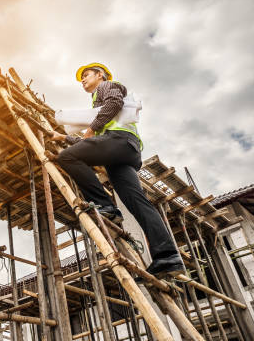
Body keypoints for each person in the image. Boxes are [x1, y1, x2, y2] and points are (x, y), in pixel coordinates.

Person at [49, 63, 183, 277]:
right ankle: (167, 257)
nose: (82, 80)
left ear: (99, 75)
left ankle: (105, 206)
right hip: (121, 153)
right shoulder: (97, 105)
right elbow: (94, 140)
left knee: (67, 157)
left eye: (86, 75)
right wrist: (66, 137)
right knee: (136, 202)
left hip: (119, 142)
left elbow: (112, 105)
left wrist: (91, 128)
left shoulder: (108, 86)